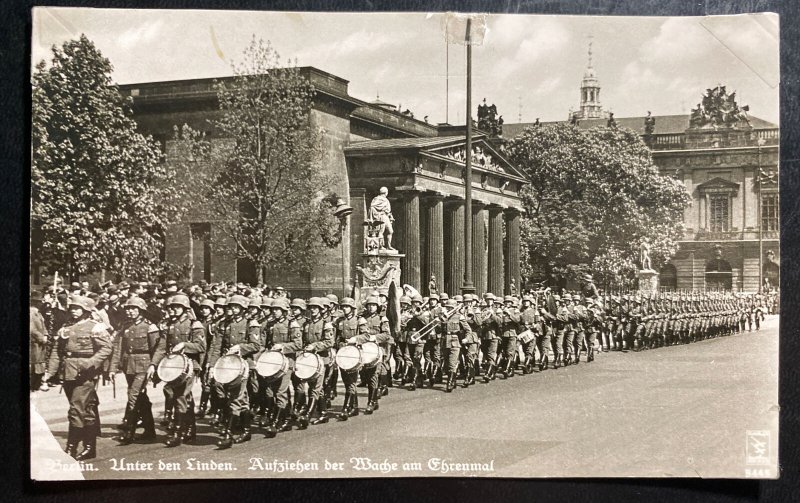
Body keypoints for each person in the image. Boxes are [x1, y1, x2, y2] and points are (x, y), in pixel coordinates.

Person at [44, 295, 113, 460]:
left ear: (86, 310)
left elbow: (106, 348)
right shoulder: (65, 327)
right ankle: (90, 448)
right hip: (68, 372)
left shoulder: (95, 327)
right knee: (85, 410)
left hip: (85, 373)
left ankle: (70, 449)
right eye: (72, 308)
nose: (74, 311)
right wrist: (50, 373)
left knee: (76, 409)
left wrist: (90, 363)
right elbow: (56, 351)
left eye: (78, 308)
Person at [148, 294, 205, 448]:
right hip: (173, 366)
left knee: (180, 396)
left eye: (177, 307)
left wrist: (185, 345)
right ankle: (190, 430)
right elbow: (161, 346)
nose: (173, 310)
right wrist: (153, 364)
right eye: (171, 307)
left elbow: (200, 347)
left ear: (185, 308)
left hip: (189, 366)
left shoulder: (194, 324)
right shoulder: (169, 325)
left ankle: (178, 433)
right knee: (182, 398)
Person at [207, 295, 260, 448]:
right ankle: (246, 429)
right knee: (237, 398)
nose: (233, 309)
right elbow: (216, 346)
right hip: (226, 364)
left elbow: (256, 345)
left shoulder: (251, 323)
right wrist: (211, 366)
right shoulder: (224, 324)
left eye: (236, 307)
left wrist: (240, 348)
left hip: (242, 364)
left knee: (236, 398)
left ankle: (228, 434)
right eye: (231, 307)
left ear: (243, 309)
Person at [110, 297, 158, 445]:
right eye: (128, 309)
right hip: (128, 365)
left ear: (141, 310)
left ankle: (129, 431)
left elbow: (157, 349)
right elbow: (118, 349)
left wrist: (154, 365)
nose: (130, 312)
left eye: (133, 309)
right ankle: (150, 429)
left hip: (144, 365)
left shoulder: (150, 327)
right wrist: (113, 368)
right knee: (140, 397)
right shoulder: (124, 326)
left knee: (133, 396)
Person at [262, 298, 302, 436]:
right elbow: (266, 342)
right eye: (273, 310)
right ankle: (286, 417)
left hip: (286, 362)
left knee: (281, 391)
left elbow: (298, 345)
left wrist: (282, 346)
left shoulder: (292, 324)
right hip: (272, 362)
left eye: (278, 310)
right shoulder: (270, 324)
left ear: (284, 311)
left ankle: (277, 422)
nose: (275, 312)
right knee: (270, 391)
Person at [296, 297, 335, 427]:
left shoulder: (326, 324)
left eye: (315, 308)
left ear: (320, 309)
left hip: (322, 360)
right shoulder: (307, 324)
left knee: (316, 388)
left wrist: (315, 346)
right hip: (309, 360)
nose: (313, 310)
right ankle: (323, 413)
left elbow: (330, 342)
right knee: (314, 387)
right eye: (311, 308)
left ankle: (308, 414)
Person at [335, 297, 362, 419]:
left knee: (351, 381)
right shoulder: (339, 321)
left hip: (353, 353)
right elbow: (336, 337)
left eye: (347, 307)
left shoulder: (359, 320)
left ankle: (346, 407)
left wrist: (355, 339)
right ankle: (354, 407)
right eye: (343, 307)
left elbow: (365, 335)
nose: (345, 309)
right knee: (347, 381)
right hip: (342, 353)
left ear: (352, 308)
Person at [30, 291, 49, 392]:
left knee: (40, 362)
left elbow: (43, 326)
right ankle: (33, 385)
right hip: (34, 343)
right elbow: (32, 329)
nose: (42, 304)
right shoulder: (31, 313)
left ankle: (36, 384)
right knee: (34, 363)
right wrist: (41, 337)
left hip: (40, 343)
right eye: (40, 302)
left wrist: (45, 334)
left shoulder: (39, 313)